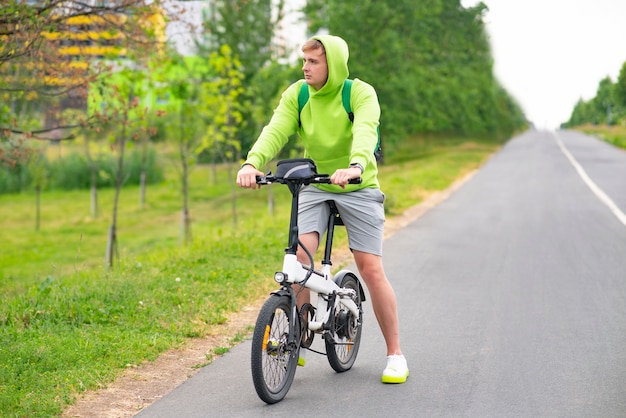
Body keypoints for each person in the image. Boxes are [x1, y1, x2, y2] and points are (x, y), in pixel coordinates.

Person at [236, 34, 408, 384]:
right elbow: (275, 131)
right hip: (316, 183)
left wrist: (357, 165)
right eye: (304, 60)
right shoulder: (298, 94)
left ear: (334, 64)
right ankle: (297, 337)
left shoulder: (359, 93)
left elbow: (365, 130)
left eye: (314, 61)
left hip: (357, 184)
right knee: (300, 260)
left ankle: (395, 354)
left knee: (370, 268)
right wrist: (251, 163)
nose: (305, 66)